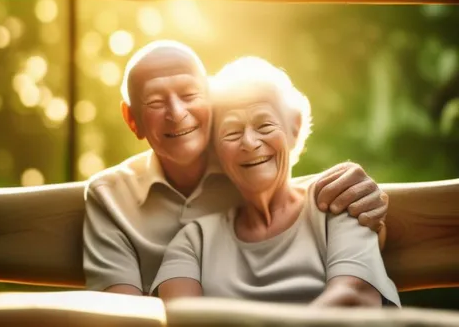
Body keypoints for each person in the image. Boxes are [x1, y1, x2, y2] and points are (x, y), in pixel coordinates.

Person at [84, 41, 388, 296]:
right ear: (132, 119)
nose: (177, 114)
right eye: (155, 101)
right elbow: (127, 316)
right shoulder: (112, 198)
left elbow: (293, 193)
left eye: (189, 95)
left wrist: (361, 199)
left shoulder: (248, 168)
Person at [152, 57, 400, 307]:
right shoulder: (195, 241)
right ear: (215, 150)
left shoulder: (339, 201)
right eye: (232, 132)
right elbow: (180, 317)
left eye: (264, 125)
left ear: (294, 128)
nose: (249, 142)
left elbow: (354, 300)